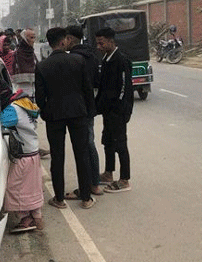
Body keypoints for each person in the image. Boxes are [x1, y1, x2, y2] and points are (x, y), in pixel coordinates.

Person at [35, 27, 96, 209]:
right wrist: (88, 112)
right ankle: (85, 198)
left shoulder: (42, 66)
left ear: (50, 43)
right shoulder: (78, 61)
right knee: (82, 154)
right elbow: (87, 90)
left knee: (57, 157)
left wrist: (46, 113)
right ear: (63, 42)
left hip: (54, 116)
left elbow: (40, 97)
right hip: (78, 113)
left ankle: (59, 198)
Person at [0, 83, 44, 232]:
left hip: (23, 155)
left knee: (15, 187)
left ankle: (25, 218)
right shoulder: (25, 104)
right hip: (33, 152)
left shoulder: (12, 109)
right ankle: (37, 216)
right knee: (32, 187)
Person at [66, 25, 104, 197]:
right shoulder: (92, 55)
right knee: (90, 143)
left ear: (70, 39)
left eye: (65, 38)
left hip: (78, 108)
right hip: (90, 106)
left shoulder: (74, 58)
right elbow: (96, 81)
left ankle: (87, 187)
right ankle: (95, 183)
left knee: (83, 147)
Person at [95, 27, 134, 192]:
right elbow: (103, 87)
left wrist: (120, 109)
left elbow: (125, 88)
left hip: (118, 111)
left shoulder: (121, 60)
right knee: (108, 142)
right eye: (97, 43)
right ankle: (108, 173)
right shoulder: (106, 59)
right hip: (108, 111)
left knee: (120, 144)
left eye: (101, 42)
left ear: (111, 41)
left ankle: (124, 179)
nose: (99, 46)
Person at [12, 28, 37, 95]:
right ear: (25, 39)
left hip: (33, 88)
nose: (33, 40)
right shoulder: (19, 53)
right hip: (22, 89)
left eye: (34, 37)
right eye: (31, 38)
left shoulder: (31, 52)